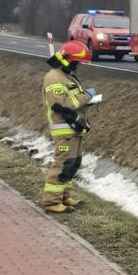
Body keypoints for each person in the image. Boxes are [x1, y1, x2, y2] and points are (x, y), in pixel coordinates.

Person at [41, 40, 97, 214]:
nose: (78, 66)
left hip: (73, 128)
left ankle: (65, 196)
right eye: (77, 62)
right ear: (68, 60)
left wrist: (87, 99)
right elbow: (62, 105)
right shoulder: (53, 77)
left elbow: (73, 100)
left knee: (72, 164)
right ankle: (52, 202)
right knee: (63, 164)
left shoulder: (66, 76)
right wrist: (87, 96)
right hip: (63, 129)